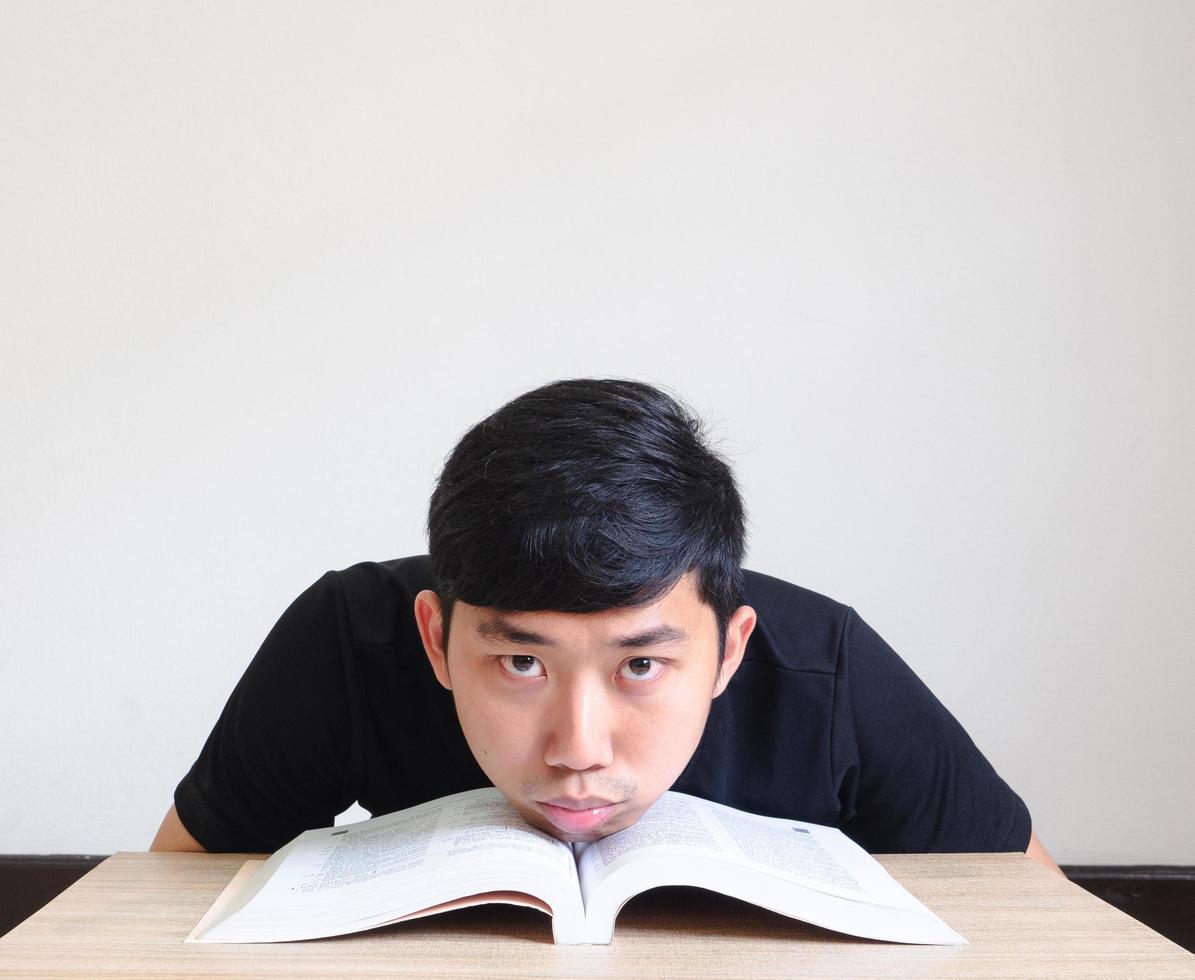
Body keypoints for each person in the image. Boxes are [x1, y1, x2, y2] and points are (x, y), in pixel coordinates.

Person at [151, 378, 1061, 875]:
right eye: (518, 659)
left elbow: (1036, 920)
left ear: (729, 648)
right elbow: (159, 912)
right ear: (435, 639)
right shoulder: (349, 639)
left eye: (638, 668)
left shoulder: (824, 663)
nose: (577, 751)